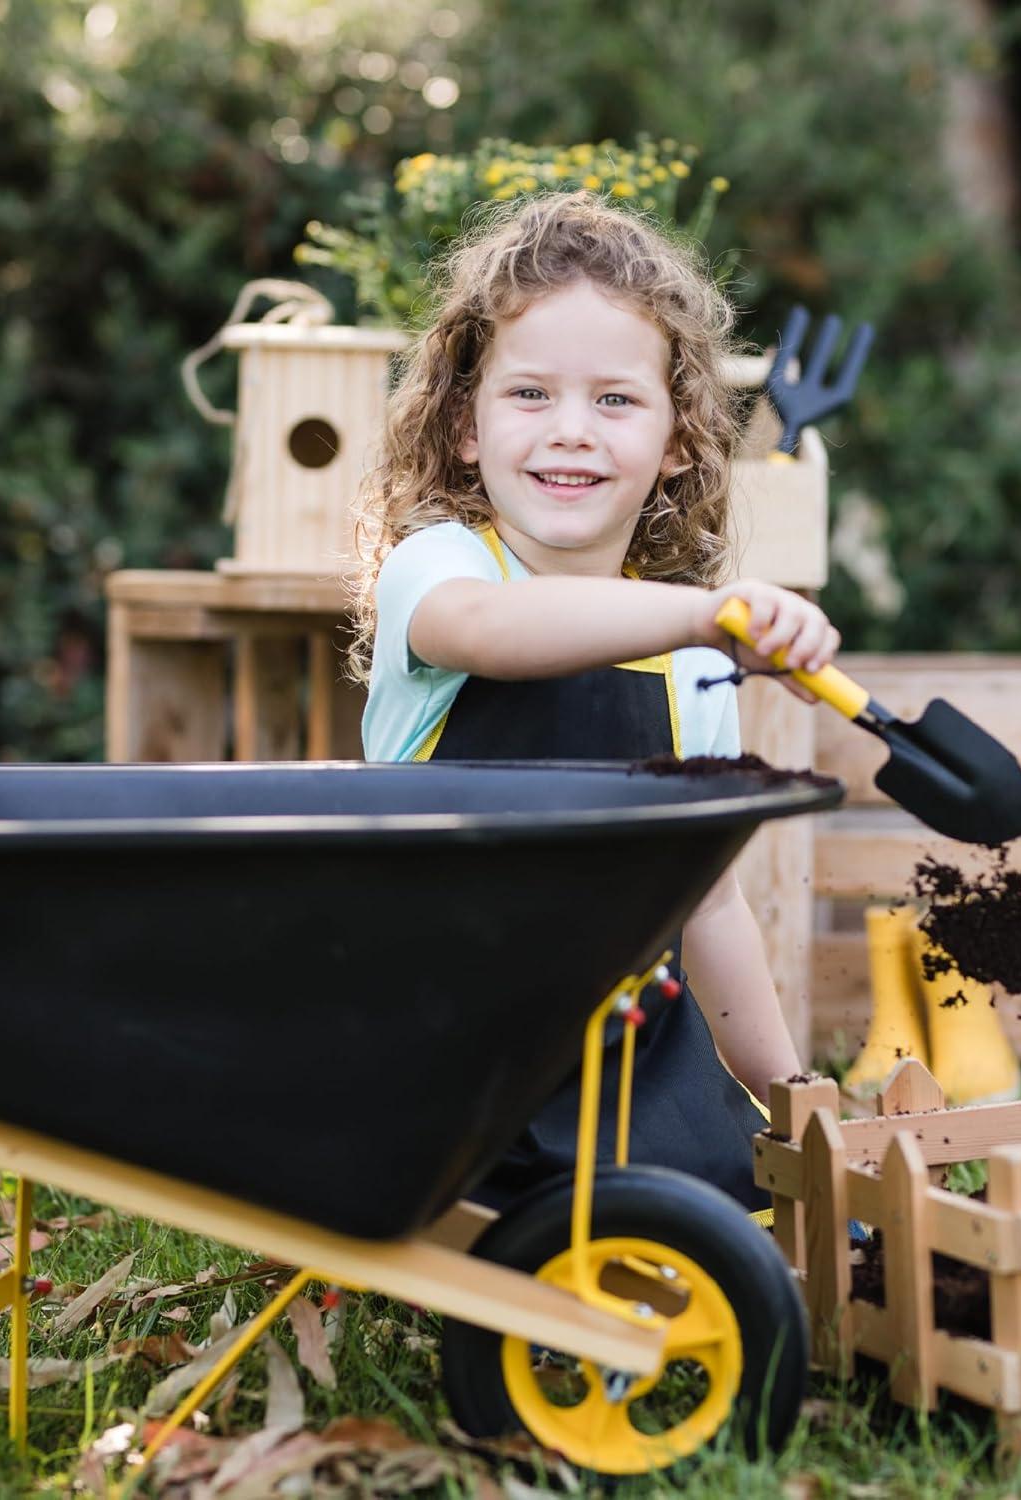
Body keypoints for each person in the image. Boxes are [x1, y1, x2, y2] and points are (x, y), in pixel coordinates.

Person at [348, 192, 841, 1212]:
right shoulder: (439, 569)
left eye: (616, 400)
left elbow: (706, 900)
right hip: (442, 1049)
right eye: (529, 394)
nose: (571, 431)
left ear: (676, 442)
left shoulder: (684, 666)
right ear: (465, 429)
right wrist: (702, 616)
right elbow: (485, 633)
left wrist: (789, 1092)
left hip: (622, 1059)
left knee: (738, 1211)